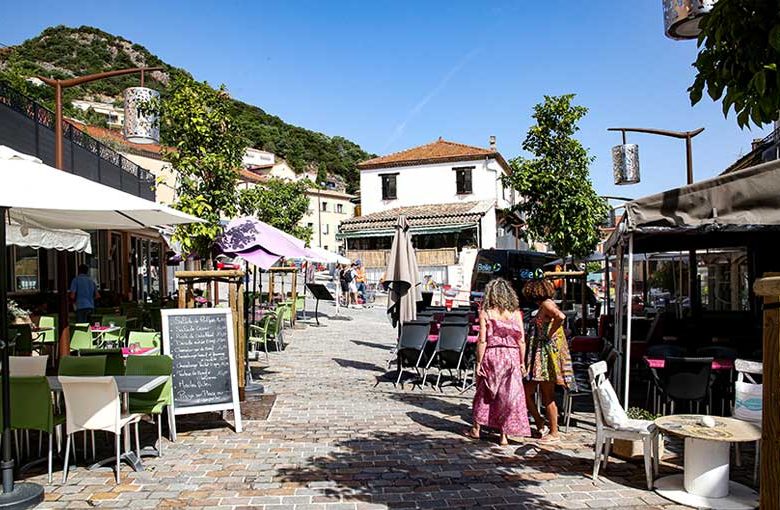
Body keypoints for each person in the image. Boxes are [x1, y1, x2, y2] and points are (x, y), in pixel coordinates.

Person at [466, 277, 531, 446]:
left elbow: (482, 340)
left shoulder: (486, 312)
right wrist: (522, 362)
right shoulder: (516, 313)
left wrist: (479, 362)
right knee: (508, 395)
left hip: (492, 353)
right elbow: (521, 340)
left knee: (485, 391)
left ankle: (476, 429)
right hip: (512, 355)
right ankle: (503, 435)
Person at [522, 278, 576, 443]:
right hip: (541, 357)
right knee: (526, 391)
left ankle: (554, 432)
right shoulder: (546, 304)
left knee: (547, 395)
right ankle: (540, 422)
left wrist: (549, 333)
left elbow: (560, 317)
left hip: (546, 357)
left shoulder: (546, 304)